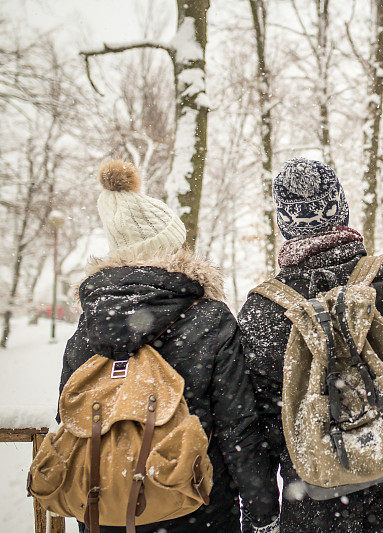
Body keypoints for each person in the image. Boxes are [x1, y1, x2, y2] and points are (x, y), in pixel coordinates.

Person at [238, 135, 383, 532]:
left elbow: (253, 435)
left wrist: (263, 520)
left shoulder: (262, 314)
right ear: (341, 210)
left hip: (315, 509)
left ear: (285, 226)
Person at [59, 161, 279, 533]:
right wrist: (262, 513)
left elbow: (69, 416)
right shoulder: (209, 318)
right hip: (196, 508)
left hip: (108, 510)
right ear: (171, 247)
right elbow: (238, 428)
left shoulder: (90, 323)